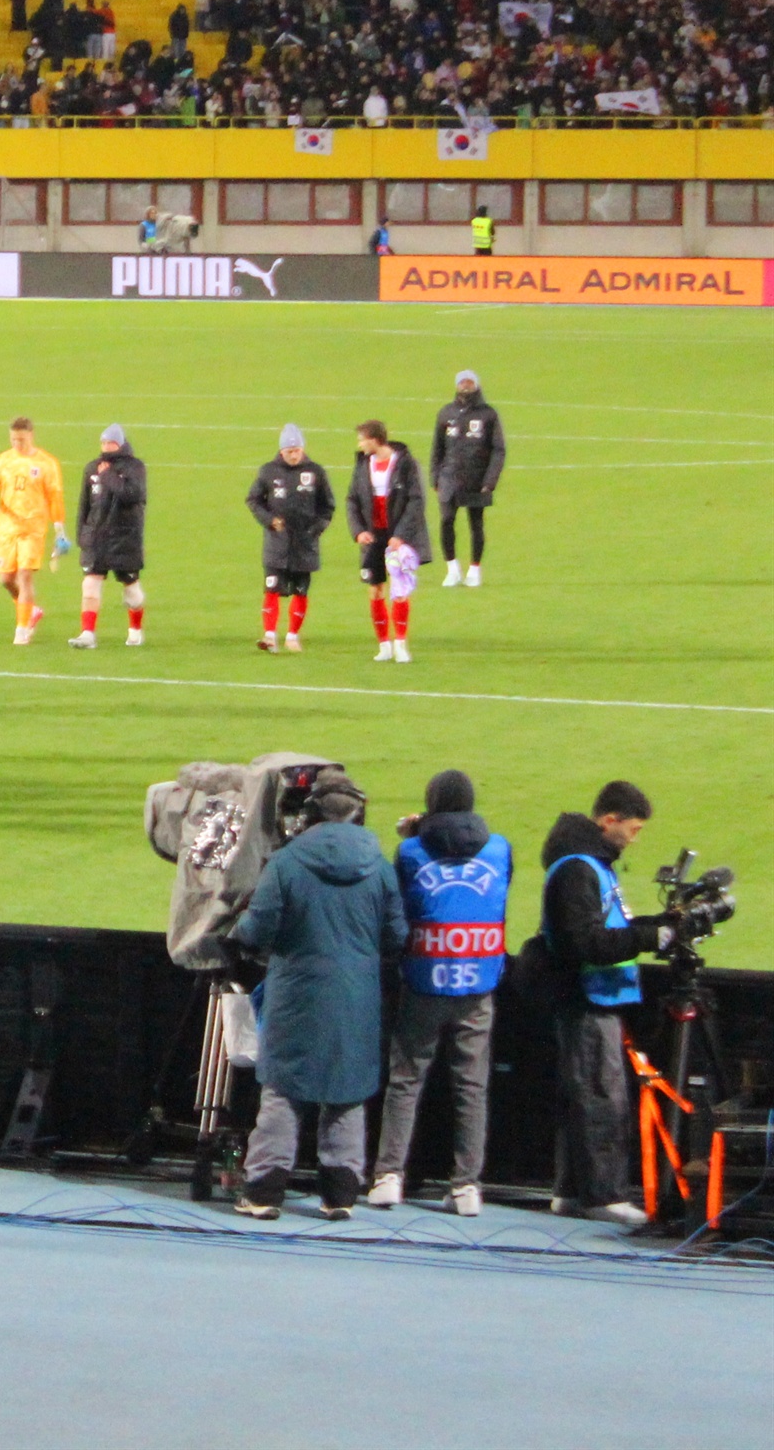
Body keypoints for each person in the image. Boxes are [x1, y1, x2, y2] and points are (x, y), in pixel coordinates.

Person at [232, 772, 405, 1219]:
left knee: (284, 1090)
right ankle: (341, 1196)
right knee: (347, 1091)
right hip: (357, 997)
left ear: (310, 815)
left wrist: (239, 933)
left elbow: (257, 929)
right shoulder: (379, 867)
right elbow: (396, 935)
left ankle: (263, 1192)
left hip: (296, 994)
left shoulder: (286, 863)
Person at [372, 769, 508, 1216]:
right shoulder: (500, 848)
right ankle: (467, 1185)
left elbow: (400, 902)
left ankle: (389, 1176)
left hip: (424, 979)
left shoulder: (411, 850)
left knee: (406, 1080)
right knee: (471, 1086)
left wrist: (416, 834)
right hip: (478, 981)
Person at [541, 779, 668, 1226]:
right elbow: (587, 942)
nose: (634, 839)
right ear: (609, 820)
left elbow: (608, 928)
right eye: (633, 829)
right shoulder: (579, 869)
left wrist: (658, 925)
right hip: (588, 998)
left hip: (592, 996)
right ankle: (604, 1196)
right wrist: (649, 937)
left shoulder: (588, 864)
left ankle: (572, 1191)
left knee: (585, 1095)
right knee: (601, 1096)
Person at [346, 419, 430, 664]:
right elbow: (352, 499)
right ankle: (384, 645)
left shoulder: (405, 464)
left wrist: (400, 534)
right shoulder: (363, 465)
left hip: (397, 537)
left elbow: (416, 500)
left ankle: (401, 644)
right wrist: (358, 531)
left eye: (362, 440)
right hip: (374, 536)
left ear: (374, 440)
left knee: (400, 590)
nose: (360, 445)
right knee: (375, 590)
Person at [0, 419, 66, 646]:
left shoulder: (46, 463)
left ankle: (22, 629)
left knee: (25, 575)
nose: (17, 443)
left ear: (31, 436)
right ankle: (31, 611)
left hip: (33, 528)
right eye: (14, 439)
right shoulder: (4, 460)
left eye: (21, 439)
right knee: (6, 579)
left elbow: (55, 497)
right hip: (7, 528)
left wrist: (59, 529)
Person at [247, 425, 335, 652]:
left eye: (297, 450)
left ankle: (292, 636)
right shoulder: (268, 471)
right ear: (281, 451)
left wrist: (316, 530)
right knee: (271, 588)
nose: (294, 455)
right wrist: (269, 520)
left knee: (300, 590)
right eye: (289, 451)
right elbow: (253, 500)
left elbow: (327, 507)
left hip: (305, 544)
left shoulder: (316, 472)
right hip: (277, 543)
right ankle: (269, 636)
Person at [73, 423, 148, 648]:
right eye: (103, 442)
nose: (106, 446)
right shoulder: (91, 468)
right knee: (90, 585)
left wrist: (108, 476)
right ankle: (88, 634)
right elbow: (84, 505)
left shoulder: (135, 467)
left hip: (125, 538)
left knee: (131, 590)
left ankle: (135, 630)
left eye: (111, 442)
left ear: (121, 444)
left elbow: (133, 494)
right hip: (96, 538)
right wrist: (82, 535)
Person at [432, 369, 505, 588]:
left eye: (469, 382)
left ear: (476, 385)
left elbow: (498, 450)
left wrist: (490, 481)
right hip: (449, 478)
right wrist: (435, 477)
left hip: (476, 478)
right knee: (446, 520)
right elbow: (437, 448)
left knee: (476, 523)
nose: (465, 385)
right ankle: (452, 569)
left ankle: (474, 569)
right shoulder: (446, 413)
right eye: (462, 382)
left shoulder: (488, 414)